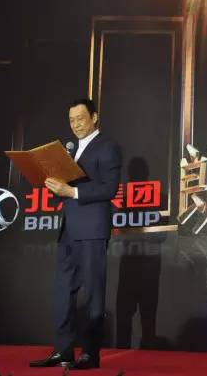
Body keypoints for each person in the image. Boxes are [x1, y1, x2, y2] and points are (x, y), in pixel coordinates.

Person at [30, 98, 121, 370]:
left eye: (81, 118)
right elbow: (65, 190)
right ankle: (63, 350)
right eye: (71, 120)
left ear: (94, 117)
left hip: (92, 229)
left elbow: (109, 188)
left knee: (93, 292)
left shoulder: (107, 146)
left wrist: (71, 191)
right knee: (63, 292)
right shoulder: (69, 150)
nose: (76, 124)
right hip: (68, 229)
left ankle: (90, 354)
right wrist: (54, 185)